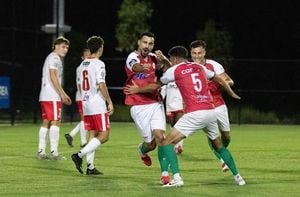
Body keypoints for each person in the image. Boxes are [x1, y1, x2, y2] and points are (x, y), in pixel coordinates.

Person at [125, 46, 245, 187]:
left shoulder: (174, 70)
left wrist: (137, 89)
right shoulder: (198, 66)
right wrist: (230, 92)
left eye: (171, 59)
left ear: (174, 58)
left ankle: (176, 179)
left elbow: (155, 86)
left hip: (195, 113)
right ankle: (238, 177)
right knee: (219, 146)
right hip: (211, 111)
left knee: (165, 143)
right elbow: (218, 78)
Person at [123, 31, 172, 185]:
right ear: (139, 42)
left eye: (150, 43)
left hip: (155, 102)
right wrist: (141, 68)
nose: (147, 46)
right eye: (145, 43)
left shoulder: (152, 58)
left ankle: (165, 175)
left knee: (160, 138)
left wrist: (164, 60)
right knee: (150, 144)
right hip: (138, 105)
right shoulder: (132, 57)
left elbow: (169, 70)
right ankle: (142, 150)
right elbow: (135, 66)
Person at [189, 40, 235, 172]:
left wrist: (222, 83)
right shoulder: (187, 68)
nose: (197, 56)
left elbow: (230, 81)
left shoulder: (213, 65)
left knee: (226, 136)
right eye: (194, 53)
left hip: (218, 104)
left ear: (204, 52)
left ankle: (222, 152)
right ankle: (222, 159)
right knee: (212, 135)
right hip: (202, 107)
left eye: (199, 53)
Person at [71, 36, 114, 175]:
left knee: (93, 133)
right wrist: (109, 101)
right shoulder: (99, 64)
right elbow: (101, 84)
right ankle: (79, 155)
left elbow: (80, 84)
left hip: (86, 103)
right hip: (97, 103)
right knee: (105, 135)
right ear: (100, 48)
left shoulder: (82, 65)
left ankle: (90, 167)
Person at [37, 36, 72, 160]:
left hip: (45, 95)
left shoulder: (50, 57)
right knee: (56, 121)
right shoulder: (55, 58)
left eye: (67, 47)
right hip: (52, 95)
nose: (65, 49)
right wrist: (62, 93)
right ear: (55, 46)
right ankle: (54, 152)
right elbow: (53, 76)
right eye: (63, 46)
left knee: (46, 122)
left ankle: (41, 151)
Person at [65, 48, 90, 147]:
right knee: (85, 119)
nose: (88, 58)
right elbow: (80, 85)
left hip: (86, 97)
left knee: (87, 119)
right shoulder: (81, 68)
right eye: (86, 56)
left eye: (90, 56)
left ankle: (71, 134)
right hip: (83, 97)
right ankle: (83, 142)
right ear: (82, 57)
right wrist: (84, 97)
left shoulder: (88, 67)